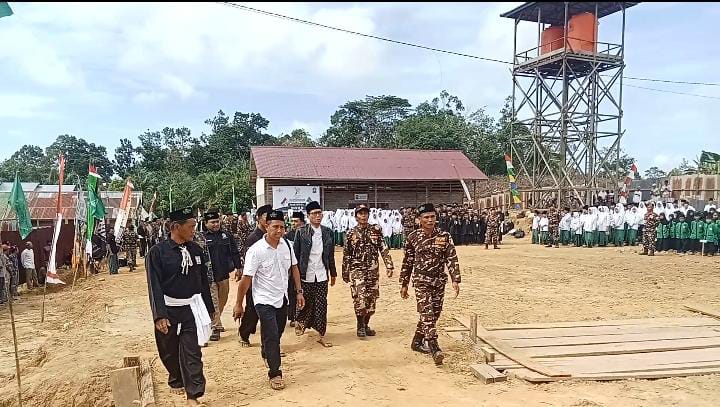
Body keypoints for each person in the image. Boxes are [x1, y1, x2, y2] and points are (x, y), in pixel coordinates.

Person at [145, 207, 214, 407]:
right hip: (169, 309)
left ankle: (193, 395)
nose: (194, 230)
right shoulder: (157, 253)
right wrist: (159, 315)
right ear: (176, 227)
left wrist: (209, 309)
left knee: (192, 352)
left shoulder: (196, 250)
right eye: (191, 226)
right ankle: (176, 377)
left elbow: (203, 283)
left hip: (191, 309)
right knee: (168, 351)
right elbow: (154, 286)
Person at [233, 210, 305, 391]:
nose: (279, 231)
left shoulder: (287, 245)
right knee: (272, 334)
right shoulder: (256, 250)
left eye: (282, 227)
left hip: (282, 298)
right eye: (275, 227)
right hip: (263, 300)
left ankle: (266, 351)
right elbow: (246, 280)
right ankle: (275, 372)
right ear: (266, 226)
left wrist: (299, 292)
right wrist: (239, 303)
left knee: (278, 331)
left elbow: (294, 268)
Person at [400, 203, 460, 365]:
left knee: (435, 313)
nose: (430, 220)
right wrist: (404, 283)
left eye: (432, 216)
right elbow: (407, 262)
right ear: (419, 220)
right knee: (427, 312)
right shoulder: (413, 237)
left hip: (438, 281)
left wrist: (455, 279)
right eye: (426, 217)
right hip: (421, 281)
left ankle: (417, 341)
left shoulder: (444, 236)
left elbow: (451, 257)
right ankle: (434, 346)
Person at [342, 204, 394, 338]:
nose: (363, 216)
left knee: (371, 299)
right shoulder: (351, 233)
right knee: (360, 297)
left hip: (372, 271)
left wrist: (389, 265)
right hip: (357, 270)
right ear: (356, 217)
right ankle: (360, 326)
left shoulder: (376, 230)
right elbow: (347, 253)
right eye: (360, 213)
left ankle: (366, 325)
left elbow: (383, 248)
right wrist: (345, 272)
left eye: (365, 213)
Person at [293, 201, 336, 348]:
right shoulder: (301, 232)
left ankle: (321, 334)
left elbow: (330, 255)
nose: (318, 216)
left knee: (321, 305)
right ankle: (301, 322)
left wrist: (333, 273)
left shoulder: (328, 232)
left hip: (322, 274)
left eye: (319, 213)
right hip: (306, 274)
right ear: (308, 216)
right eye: (314, 213)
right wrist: (295, 274)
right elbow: (295, 255)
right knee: (305, 302)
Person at [202, 209, 242, 341]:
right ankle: (216, 327)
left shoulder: (226, 236)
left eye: (217, 221)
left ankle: (215, 319)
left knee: (222, 300)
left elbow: (234, 252)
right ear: (206, 223)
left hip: (224, 274)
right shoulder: (202, 238)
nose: (215, 224)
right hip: (209, 276)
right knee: (214, 301)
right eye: (212, 222)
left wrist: (238, 267)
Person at [238, 204, 273, 347]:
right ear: (258, 218)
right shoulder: (253, 238)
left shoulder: (273, 237)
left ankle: (270, 344)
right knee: (252, 311)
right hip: (255, 282)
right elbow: (248, 264)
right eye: (266, 217)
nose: (268, 220)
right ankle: (243, 334)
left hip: (270, 280)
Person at [284, 211, 305, 327]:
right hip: (291, 268)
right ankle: (292, 317)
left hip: (305, 269)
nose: (293, 223)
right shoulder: (287, 236)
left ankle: (303, 316)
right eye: (292, 221)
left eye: (296, 221)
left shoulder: (307, 234)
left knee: (303, 292)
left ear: (302, 222)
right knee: (292, 292)